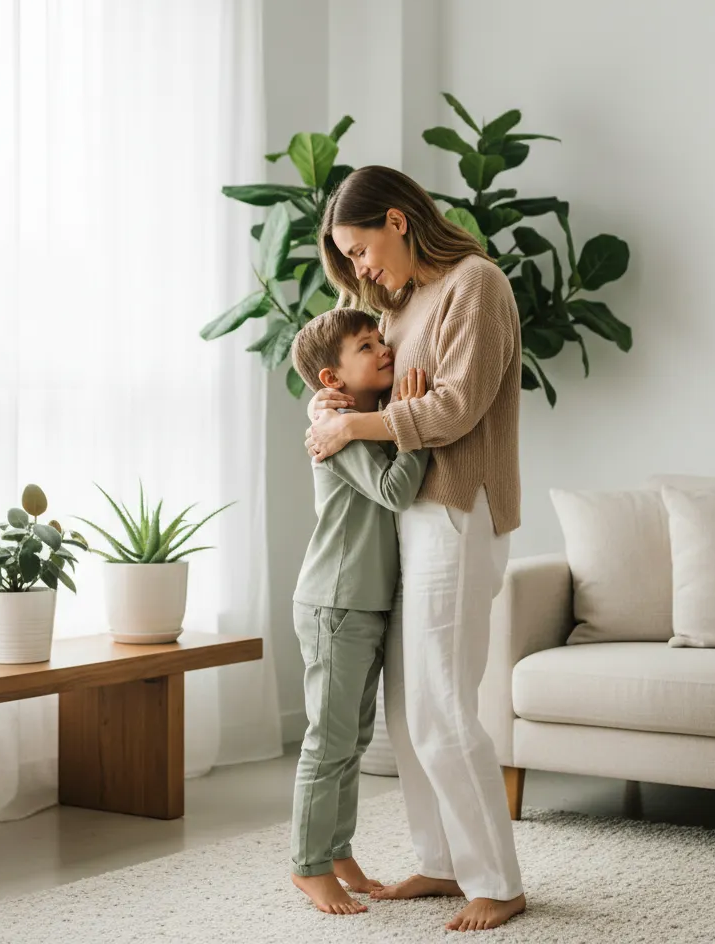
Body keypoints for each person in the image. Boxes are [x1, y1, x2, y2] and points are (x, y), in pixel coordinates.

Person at [305, 165, 526, 932]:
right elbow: (358, 381)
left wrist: (352, 427)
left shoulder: (477, 284)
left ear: (398, 222)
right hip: (411, 515)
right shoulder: (394, 303)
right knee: (407, 710)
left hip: (460, 508)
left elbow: (455, 406)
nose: (359, 271)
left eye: (360, 250)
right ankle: (442, 861)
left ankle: (496, 879)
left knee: (440, 703)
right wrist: (329, 403)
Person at [288, 306, 430, 916]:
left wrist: (396, 414)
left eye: (380, 338)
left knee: (353, 738)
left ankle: (337, 849)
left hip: (362, 603)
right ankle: (309, 865)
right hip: (335, 603)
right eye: (366, 345)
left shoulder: (356, 421)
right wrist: (415, 424)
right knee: (328, 741)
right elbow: (397, 490)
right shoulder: (339, 427)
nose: (383, 349)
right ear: (332, 380)